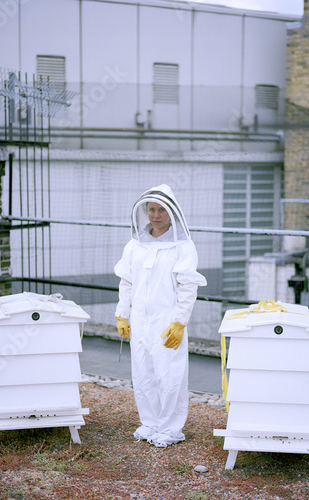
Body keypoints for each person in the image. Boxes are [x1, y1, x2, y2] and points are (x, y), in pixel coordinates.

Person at [114, 184, 207, 448]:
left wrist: (179, 322)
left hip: (167, 323)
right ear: (145, 211)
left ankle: (170, 428)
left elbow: (188, 287)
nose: (156, 215)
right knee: (143, 372)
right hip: (140, 322)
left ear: (171, 212)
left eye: (161, 209)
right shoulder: (135, 245)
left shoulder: (183, 247)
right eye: (151, 209)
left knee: (170, 374)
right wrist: (123, 314)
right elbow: (126, 281)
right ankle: (151, 423)